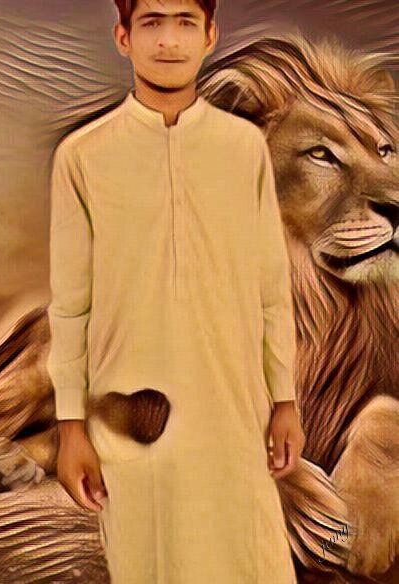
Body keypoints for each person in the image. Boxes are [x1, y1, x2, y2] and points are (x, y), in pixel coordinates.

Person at [46, 0, 306, 582]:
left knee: (249, 558)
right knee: (148, 562)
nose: (168, 41)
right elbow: (69, 305)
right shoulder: (83, 157)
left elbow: (271, 288)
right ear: (123, 36)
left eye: (185, 22)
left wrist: (284, 399)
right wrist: (71, 426)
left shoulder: (243, 149)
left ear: (210, 35)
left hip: (233, 408)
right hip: (130, 418)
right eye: (151, 23)